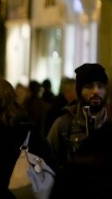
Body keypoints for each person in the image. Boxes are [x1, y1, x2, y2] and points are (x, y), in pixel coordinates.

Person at [47, 63, 111, 198]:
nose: (96, 91)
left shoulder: (110, 123)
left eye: (100, 86)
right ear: (79, 90)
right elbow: (48, 162)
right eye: (89, 86)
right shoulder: (64, 124)